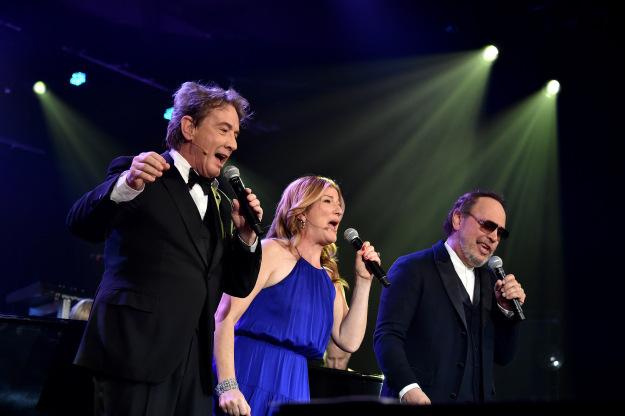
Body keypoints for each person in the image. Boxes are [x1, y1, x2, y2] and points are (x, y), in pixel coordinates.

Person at [66, 81, 263, 416]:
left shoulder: (222, 204)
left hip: (194, 370)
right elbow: (80, 224)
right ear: (189, 127)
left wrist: (246, 237)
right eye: (224, 129)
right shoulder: (140, 174)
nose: (233, 143)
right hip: (134, 353)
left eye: (236, 134)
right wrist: (126, 185)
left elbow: (238, 285)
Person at [213, 176, 380, 416]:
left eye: (340, 204)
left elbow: (349, 340)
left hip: (295, 386)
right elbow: (224, 316)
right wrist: (228, 385)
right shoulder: (273, 251)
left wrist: (364, 281)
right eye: (328, 201)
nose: (339, 209)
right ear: (302, 212)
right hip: (251, 372)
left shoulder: (329, 279)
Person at [374, 190, 526, 405]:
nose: (494, 237)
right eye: (488, 225)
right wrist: (408, 389)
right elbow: (387, 337)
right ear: (458, 219)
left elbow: (503, 356)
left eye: (500, 232)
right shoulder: (413, 268)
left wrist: (508, 312)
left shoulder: (492, 282)